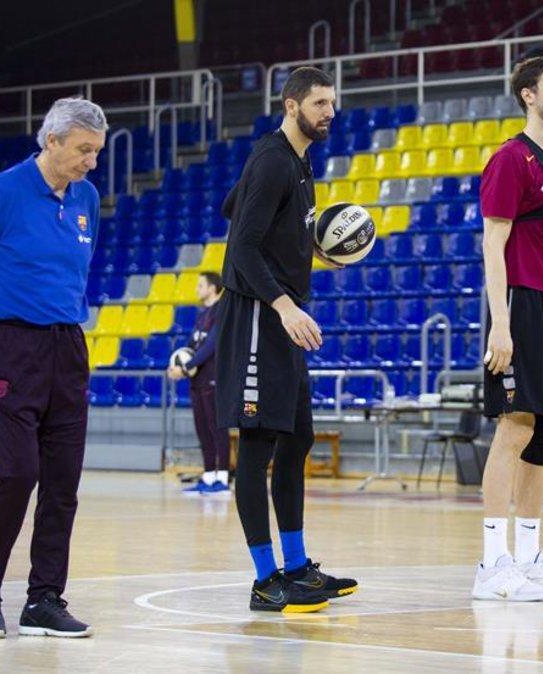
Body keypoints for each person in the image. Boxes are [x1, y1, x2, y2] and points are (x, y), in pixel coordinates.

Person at [0, 97, 107, 639]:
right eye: (84, 150)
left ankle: (44, 600)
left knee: (62, 483)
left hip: (67, 348)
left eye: (96, 152)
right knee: (17, 474)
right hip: (8, 346)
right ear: (52, 141)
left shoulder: (87, 198)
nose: (91, 162)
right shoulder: (3, 191)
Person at [215, 66, 357, 614]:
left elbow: (235, 206)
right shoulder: (275, 160)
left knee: (297, 440)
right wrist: (282, 303)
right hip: (258, 316)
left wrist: (311, 250)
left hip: (281, 319)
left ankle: (297, 568)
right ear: (291, 104)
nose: (330, 112)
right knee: (256, 447)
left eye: (332, 104)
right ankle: (264, 579)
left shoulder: (295, 161)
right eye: (320, 103)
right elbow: (242, 247)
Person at [472, 56, 543, 602]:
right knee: (514, 426)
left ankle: (530, 557)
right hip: (518, 304)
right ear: (527, 95)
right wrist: (501, 322)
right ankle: (493, 564)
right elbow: (493, 243)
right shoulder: (509, 160)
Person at [171, 272, 230, 494]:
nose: (197, 289)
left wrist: (186, 367)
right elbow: (190, 347)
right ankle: (207, 476)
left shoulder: (221, 311)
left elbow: (211, 346)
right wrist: (176, 365)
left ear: (213, 288)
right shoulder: (201, 315)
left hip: (215, 378)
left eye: (201, 285)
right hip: (197, 380)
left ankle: (222, 479)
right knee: (203, 429)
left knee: (218, 429)